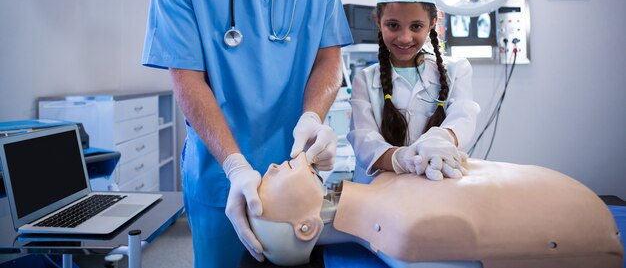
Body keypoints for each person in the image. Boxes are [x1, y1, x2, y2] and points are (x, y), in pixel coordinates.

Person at [141, 0, 353, 265]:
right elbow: (186, 78)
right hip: (218, 173)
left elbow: (328, 60)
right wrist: (236, 167)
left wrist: (313, 118)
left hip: (293, 175)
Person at [248, 154, 624, 268]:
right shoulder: (402, 234)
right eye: (271, 185)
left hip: (576, 207)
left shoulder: (382, 187)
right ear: (305, 229)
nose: (271, 168)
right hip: (581, 221)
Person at [348, 0, 480, 184]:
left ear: (432, 23)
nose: (405, 37)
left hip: (434, 191)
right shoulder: (364, 80)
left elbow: (463, 116)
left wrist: (441, 138)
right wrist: (403, 159)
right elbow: (364, 141)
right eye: (393, 25)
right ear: (379, 22)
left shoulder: (457, 70)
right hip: (378, 195)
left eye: (416, 26)